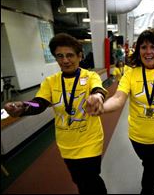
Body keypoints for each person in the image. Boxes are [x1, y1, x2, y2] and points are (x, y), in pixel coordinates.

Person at [4, 33, 108, 194]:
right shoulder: (51, 82)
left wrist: (97, 96)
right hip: (66, 143)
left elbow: (98, 89)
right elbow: (38, 103)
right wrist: (23, 106)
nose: (65, 60)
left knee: (91, 178)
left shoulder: (90, 76)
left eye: (70, 55)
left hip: (90, 140)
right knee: (79, 180)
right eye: (60, 56)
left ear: (80, 56)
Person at [97, 29, 154, 194]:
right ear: (138, 50)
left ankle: (152, 185)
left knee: (148, 183)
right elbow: (118, 98)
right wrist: (101, 107)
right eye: (144, 47)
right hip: (137, 137)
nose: (148, 52)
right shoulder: (130, 73)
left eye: (153, 47)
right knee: (149, 165)